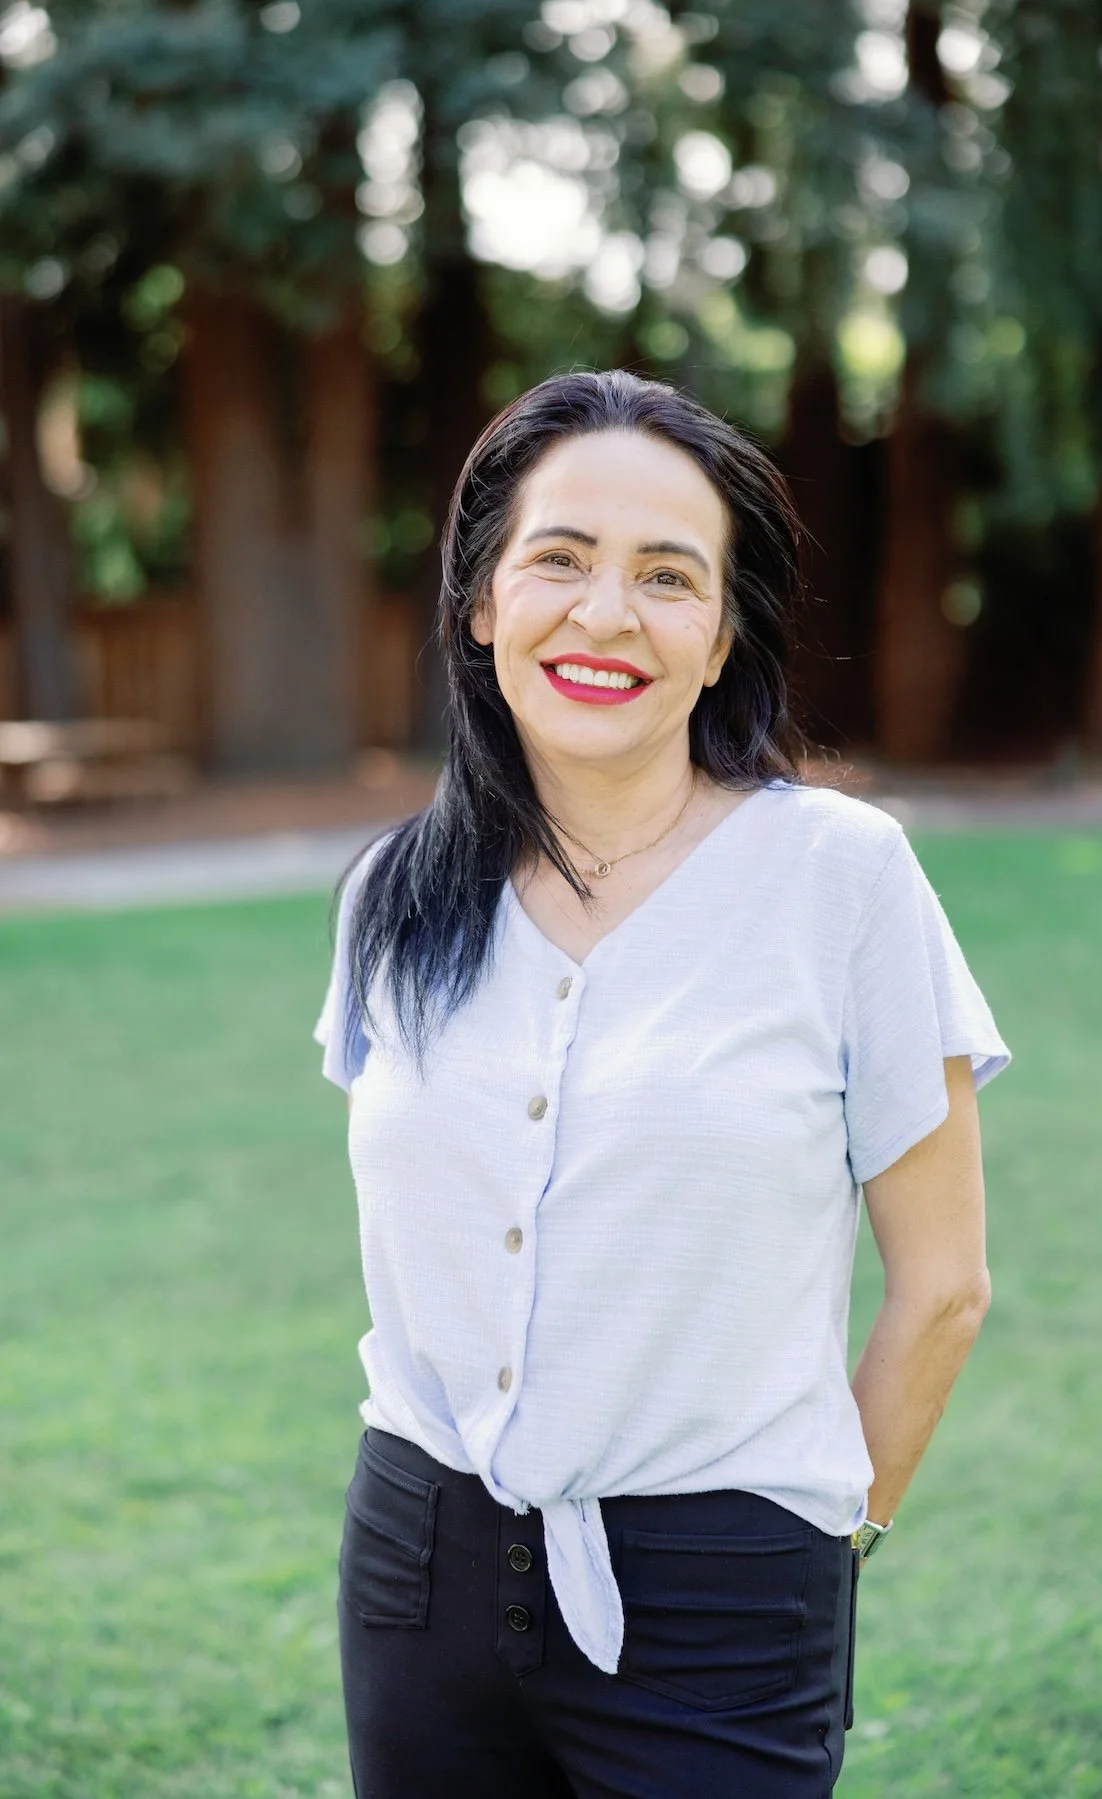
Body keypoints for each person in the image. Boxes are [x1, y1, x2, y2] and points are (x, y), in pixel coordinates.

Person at [314, 369, 1010, 1799]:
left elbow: (943, 1285)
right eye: (559, 559)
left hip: (726, 1588)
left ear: (721, 637)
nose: (608, 613)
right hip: (416, 1561)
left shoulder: (843, 877)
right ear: (482, 602)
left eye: (668, 576)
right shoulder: (394, 891)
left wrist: (818, 1545)